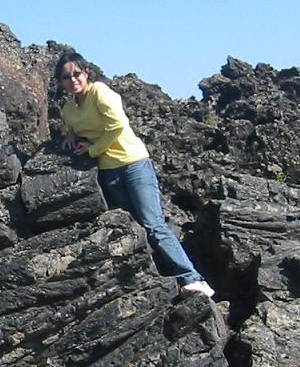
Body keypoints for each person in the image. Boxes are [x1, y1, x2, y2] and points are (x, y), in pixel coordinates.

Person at [55, 51, 215, 298]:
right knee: (130, 228)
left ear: (86, 73)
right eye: (66, 77)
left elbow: (117, 124)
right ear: (60, 82)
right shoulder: (68, 109)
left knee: (153, 224)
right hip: (109, 172)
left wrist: (93, 148)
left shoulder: (99, 91)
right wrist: (70, 134)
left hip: (134, 165)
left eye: (77, 73)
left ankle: (193, 279)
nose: (72, 79)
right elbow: (76, 126)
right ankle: (160, 281)